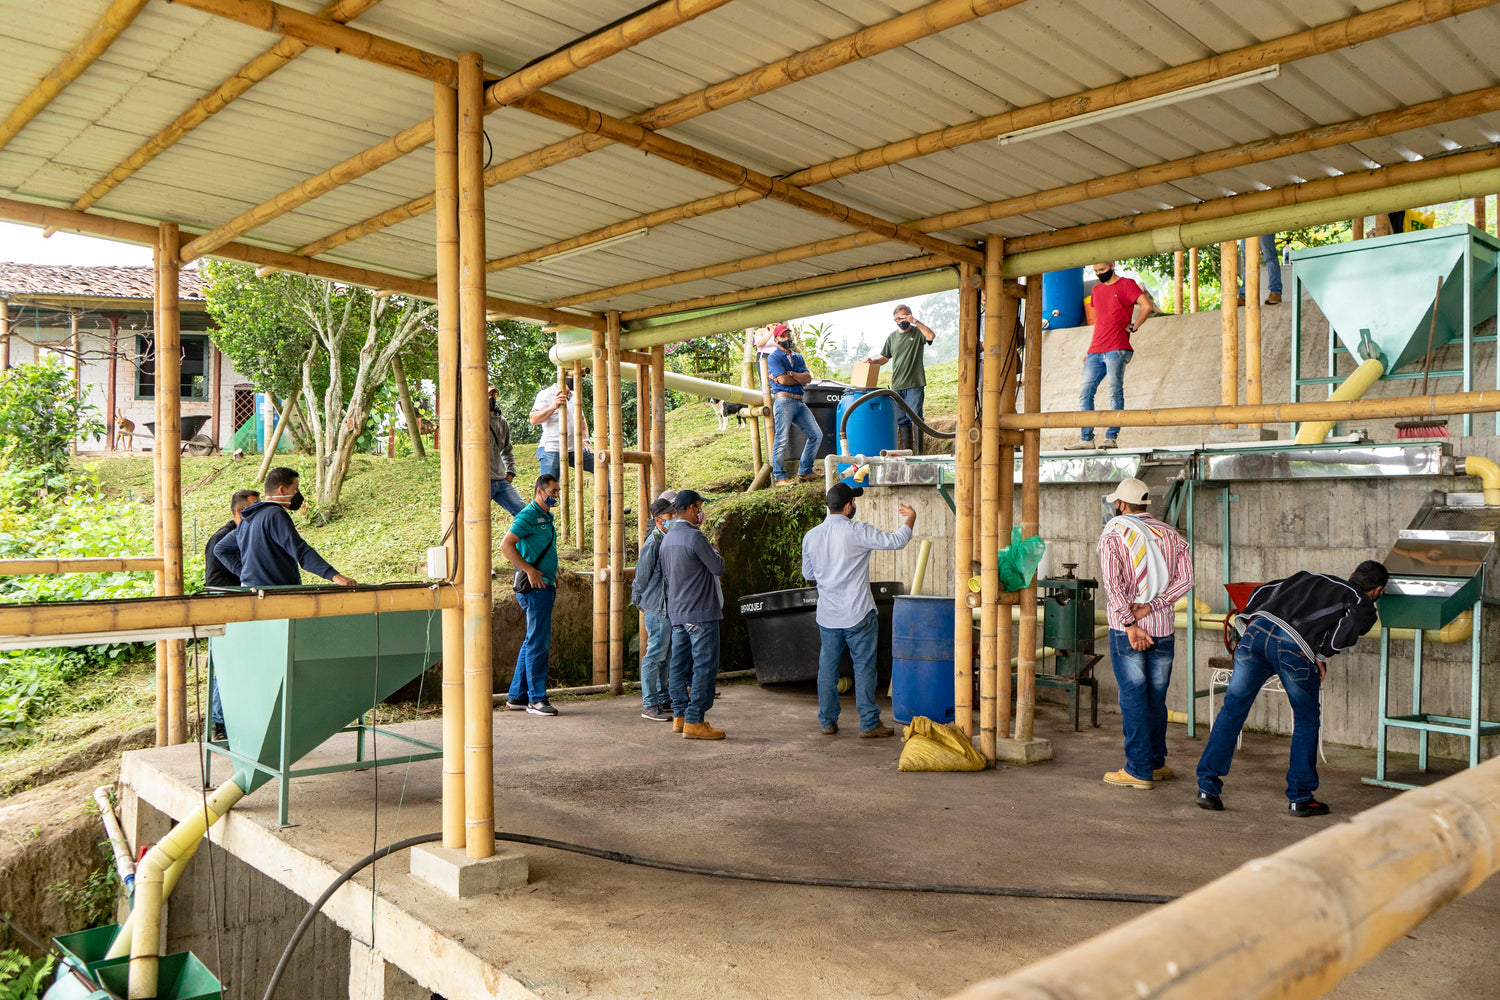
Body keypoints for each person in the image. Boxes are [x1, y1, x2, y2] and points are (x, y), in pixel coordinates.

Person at [1196, 561, 1387, 816]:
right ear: (1378, 591)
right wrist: (1320, 654)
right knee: (1306, 720)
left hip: (1255, 633)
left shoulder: (1309, 576)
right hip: (1292, 647)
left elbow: (1264, 590)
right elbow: (1348, 629)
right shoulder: (1360, 599)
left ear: (1351, 574)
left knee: (1232, 711)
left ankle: (1207, 789)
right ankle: (1300, 797)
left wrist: (1247, 621)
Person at [1096, 477, 1192, 790]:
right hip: (1163, 628)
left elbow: (1114, 585)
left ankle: (1138, 769)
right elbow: (1186, 580)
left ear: (1121, 505)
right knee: (1155, 698)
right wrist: (1154, 606)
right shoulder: (1170, 534)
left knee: (1134, 699)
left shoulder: (1114, 534)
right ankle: (1156, 762)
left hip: (1127, 632)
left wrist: (1131, 623)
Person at [801, 482, 915, 738]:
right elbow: (896, 541)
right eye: (853, 502)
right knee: (863, 668)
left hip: (828, 617)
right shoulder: (858, 531)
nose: (855, 506)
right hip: (858, 614)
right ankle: (868, 723)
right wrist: (911, 519)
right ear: (848, 506)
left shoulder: (811, 536)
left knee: (827, 669)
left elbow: (808, 573)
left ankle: (827, 722)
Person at [214, 468, 356, 588]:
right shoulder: (274, 514)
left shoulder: (249, 519)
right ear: (281, 490)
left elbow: (221, 549)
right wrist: (335, 576)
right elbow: (300, 550)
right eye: (295, 489)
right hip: (274, 595)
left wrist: (246, 575)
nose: (297, 494)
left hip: (251, 592)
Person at [1066, 262, 1155, 451]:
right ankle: (1086, 438)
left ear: (1112, 265)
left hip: (1117, 347)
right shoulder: (1097, 290)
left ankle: (1111, 437)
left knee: (1115, 390)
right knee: (1085, 392)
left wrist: (1134, 326)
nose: (1099, 274)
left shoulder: (1126, 284)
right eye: (1096, 271)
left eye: (1102, 270)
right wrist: (1090, 350)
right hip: (1095, 349)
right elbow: (1100, 322)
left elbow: (1147, 306)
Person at [660, 489, 726, 739]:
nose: (700, 512)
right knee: (704, 666)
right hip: (701, 613)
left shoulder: (667, 539)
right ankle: (695, 720)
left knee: (678, 665)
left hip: (678, 613)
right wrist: (714, 549)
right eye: (698, 507)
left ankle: (679, 716)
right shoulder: (696, 537)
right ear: (687, 509)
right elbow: (718, 567)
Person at [500, 475, 563, 717]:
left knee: (532, 640)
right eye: (553, 491)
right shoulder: (528, 515)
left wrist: (549, 572)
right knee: (538, 643)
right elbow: (505, 545)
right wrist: (529, 569)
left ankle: (517, 696)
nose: (556, 495)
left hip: (545, 584)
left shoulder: (546, 515)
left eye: (557, 491)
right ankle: (536, 700)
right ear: (540, 491)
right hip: (536, 589)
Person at [203, 487, 258, 740]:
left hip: (238, 604)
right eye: (254, 508)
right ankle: (219, 724)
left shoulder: (241, 532)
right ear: (240, 511)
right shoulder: (226, 538)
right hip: (225, 604)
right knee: (226, 664)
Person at [865, 303, 936, 452]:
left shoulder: (917, 333)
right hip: (897, 385)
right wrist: (873, 361)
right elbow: (884, 358)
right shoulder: (892, 337)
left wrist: (915, 321)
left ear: (909, 316)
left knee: (916, 418)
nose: (900, 321)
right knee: (902, 420)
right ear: (894, 320)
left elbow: (930, 336)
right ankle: (907, 453)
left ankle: (918, 454)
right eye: (898, 318)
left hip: (914, 383)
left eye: (903, 317)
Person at [631, 497, 676, 722]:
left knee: (665, 654)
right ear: (659, 519)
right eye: (670, 515)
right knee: (655, 654)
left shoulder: (666, 538)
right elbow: (641, 577)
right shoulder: (653, 543)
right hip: (657, 607)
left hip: (666, 606)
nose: (674, 517)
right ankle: (649, 704)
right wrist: (638, 599)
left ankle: (662, 697)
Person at [766, 325, 822, 487]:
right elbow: (783, 381)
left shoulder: (798, 357)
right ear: (776, 340)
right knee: (781, 439)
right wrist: (796, 378)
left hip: (799, 401)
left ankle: (805, 470)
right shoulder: (774, 358)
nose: (787, 339)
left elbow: (808, 378)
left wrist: (790, 374)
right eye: (783, 336)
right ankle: (779, 477)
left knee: (816, 435)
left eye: (788, 335)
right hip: (784, 401)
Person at [529, 375, 593, 481]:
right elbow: (533, 419)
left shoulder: (575, 396)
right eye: (573, 376)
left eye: (580, 377)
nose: (578, 380)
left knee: (600, 465)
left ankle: (607, 498)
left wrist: (585, 440)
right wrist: (553, 406)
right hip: (552, 449)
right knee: (549, 486)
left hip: (574, 448)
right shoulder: (546, 394)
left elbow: (582, 420)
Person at [204, 488, 259, 588]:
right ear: (240, 512)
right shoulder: (221, 538)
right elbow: (214, 581)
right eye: (255, 509)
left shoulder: (252, 533)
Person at [488, 387, 525, 517]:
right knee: (477, 522)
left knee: (525, 514)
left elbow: (507, 449)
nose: (491, 397)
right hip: (480, 482)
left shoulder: (502, 421)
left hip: (500, 480)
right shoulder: (472, 421)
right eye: (487, 394)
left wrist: (511, 471)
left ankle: (517, 538)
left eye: (493, 394)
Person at [1236, 234, 1283, 306]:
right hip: (1246, 225)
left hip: (1263, 224)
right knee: (1248, 262)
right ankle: (1244, 296)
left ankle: (1275, 292)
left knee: (1270, 256)